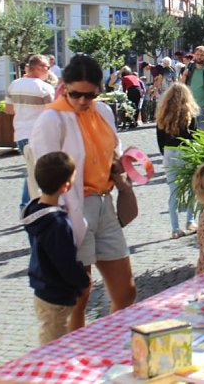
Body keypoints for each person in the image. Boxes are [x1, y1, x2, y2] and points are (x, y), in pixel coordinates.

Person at [30, 54, 136, 332]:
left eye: (89, 95)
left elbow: (114, 148)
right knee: (79, 294)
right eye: (74, 93)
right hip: (72, 207)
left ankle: (111, 342)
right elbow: (46, 173)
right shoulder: (52, 118)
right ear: (63, 85)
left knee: (125, 291)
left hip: (104, 202)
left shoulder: (103, 112)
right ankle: (76, 359)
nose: (81, 101)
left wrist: (120, 163)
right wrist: (62, 215)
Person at [22, 151, 90, 346]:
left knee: (52, 334)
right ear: (65, 186)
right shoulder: (57, 223)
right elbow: (65, 261)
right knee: (52, 344)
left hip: (42, 288)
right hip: (56, 293)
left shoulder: (34, 209)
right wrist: (83, 280)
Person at [5, 54, 55, 210]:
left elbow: (9, 110)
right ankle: (28, 205)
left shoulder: (13, 84)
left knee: (33, 170)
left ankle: (31, 204)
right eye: (47, 67)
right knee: (39, 172)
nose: (49, 70)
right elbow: (52, 112)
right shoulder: (44, 88)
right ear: (39, 68)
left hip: (20, 132)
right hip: (40, 134)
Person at [156, 83, 200, 238]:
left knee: (173, 191)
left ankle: (175, 228)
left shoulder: (162, 114)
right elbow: (195, 138)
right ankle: (190, 220)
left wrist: (165, 153)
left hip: (169, 152)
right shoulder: (190, 114)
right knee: (192, 189)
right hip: (186, 151)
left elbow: (160, 140)